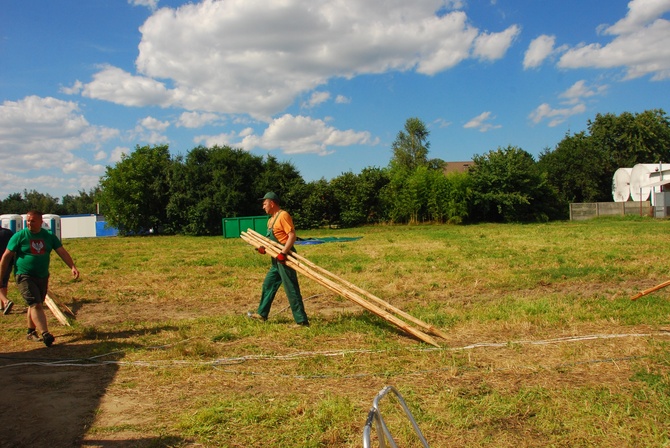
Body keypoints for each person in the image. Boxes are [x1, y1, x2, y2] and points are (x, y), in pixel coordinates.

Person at [0, 210, 80, 347]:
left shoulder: (48, 236)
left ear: (41, 222)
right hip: (24, 275)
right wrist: (1, 277)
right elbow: (6, 256)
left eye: (33, 221)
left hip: (42, 276)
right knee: (35, 304)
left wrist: (72, 266)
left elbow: (61, 251)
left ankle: (31, 332)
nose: (29, 223)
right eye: (28, 221)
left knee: (36, 303)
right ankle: (45, 333)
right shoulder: (19, 236)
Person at [248, 192, 309, 327]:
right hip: (276, 258)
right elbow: (270, 240)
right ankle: (262, 314)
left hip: (285, 257)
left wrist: (283, 253)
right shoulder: (270, 220)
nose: (263, 207)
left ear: (272, 203)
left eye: (264, 204)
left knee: (291, 288)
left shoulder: (283, 215)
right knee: (268, 284)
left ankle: (302, 321)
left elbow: (292, 236)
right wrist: (262, 248)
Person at [0, 226, 14, 315]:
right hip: (8, 261)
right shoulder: (8, 232)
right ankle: (2, 306)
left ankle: (5, 301)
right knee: (4, 283)